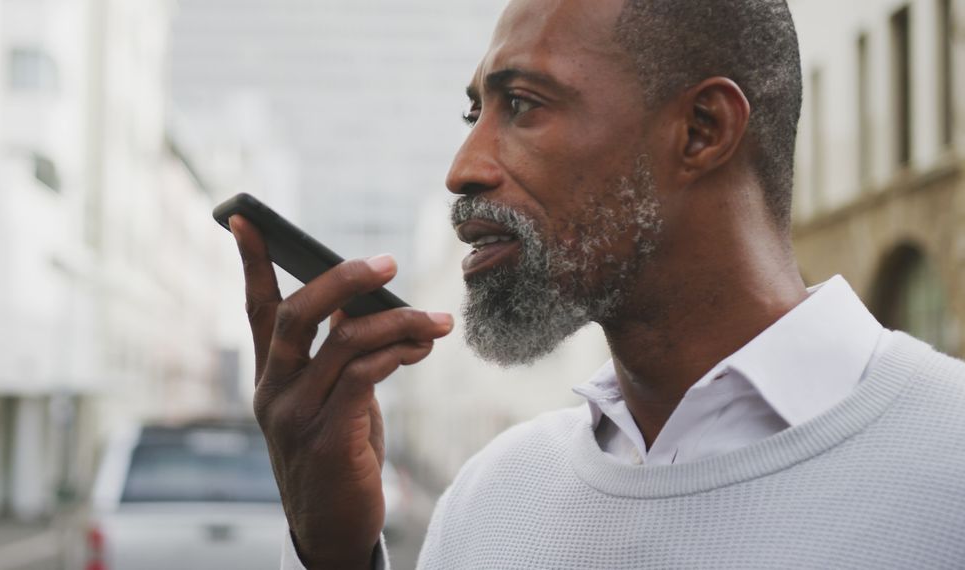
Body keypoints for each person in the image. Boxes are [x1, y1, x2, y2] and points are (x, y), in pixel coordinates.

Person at [227, 0, 965, 567]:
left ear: (703, 129)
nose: (463, 166)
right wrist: (332, 554)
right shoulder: (492, 500)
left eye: (521, 104)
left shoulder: (947, 463)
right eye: (474, 111)